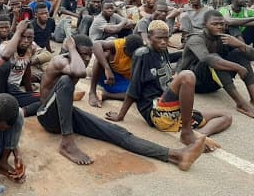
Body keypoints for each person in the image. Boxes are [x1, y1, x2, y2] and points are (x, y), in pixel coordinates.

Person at [36, 35, 206, 170]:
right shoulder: (61, 60)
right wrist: (71, 48)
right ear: (72, 51)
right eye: (83, 54)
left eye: (89, 55)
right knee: (66, 81)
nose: (88, 58)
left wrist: (77, 52)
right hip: (47, 115)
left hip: (65, 114)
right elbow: (80, 72)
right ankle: (67, 142)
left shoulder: (75, 60)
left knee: (118, 133)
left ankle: (176, 156)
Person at [106, 21, 231, 149]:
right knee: (187, 75)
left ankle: (200, 136)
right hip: (156, 112)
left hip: (172, 110)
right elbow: (133, 89)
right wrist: (120, 115)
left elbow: (175, 62)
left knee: (226, 117)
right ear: (149, 38)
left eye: (166, 38)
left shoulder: (163, 50)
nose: (163, 41)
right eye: (159, 38)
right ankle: (187, 133)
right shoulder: (142, 54)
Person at [178, 10, 254, 118]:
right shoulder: (196, 38)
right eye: (214, 24)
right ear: (205, 25)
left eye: (222, 24)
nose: (219, 27)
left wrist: (240, 45)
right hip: (196, 83)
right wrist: (238, 68)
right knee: (214, 59)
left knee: (238, 53)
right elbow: (207, 59)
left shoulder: (224, 37)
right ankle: (242, 104)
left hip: (214, 82)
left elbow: (252, 56)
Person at [0, 20, 41, 117]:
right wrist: (18, 31)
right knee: (4, 65)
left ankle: (19, 112)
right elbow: (6, 56)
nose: (26, 40)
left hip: (12, 90)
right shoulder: (6, 45)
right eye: (23, 36)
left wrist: (29, 91)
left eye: (30, 37)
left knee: (45, 98)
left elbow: (27, 69)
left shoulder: (32, 47)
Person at [88, 35, 144, 107]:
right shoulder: (120, 44)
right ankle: (92, 92)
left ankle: (107, 95)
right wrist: (107, 69)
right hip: (105, 74)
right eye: (131, 55)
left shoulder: (142, 52)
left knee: (138, 93)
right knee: (105, 55)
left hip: (120, 79)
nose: (133, 58)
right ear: (124, 49)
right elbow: (96, 45)